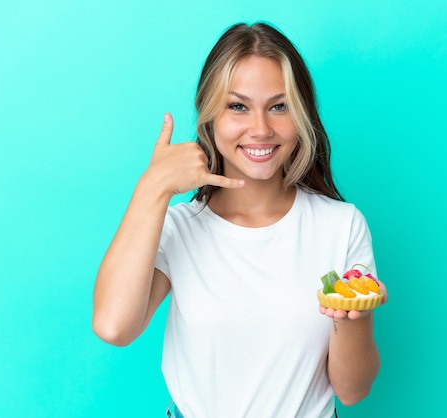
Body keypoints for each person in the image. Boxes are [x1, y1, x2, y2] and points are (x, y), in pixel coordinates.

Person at [92, 22, 388, 418]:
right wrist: (153, 188)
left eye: (279, 106)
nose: (261, 129)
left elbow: (352, 391)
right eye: (238, 106)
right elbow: (114, 327)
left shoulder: (340, 225)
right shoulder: (179, 228)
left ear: (301, 116)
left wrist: (352, 315)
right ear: (209, 117)